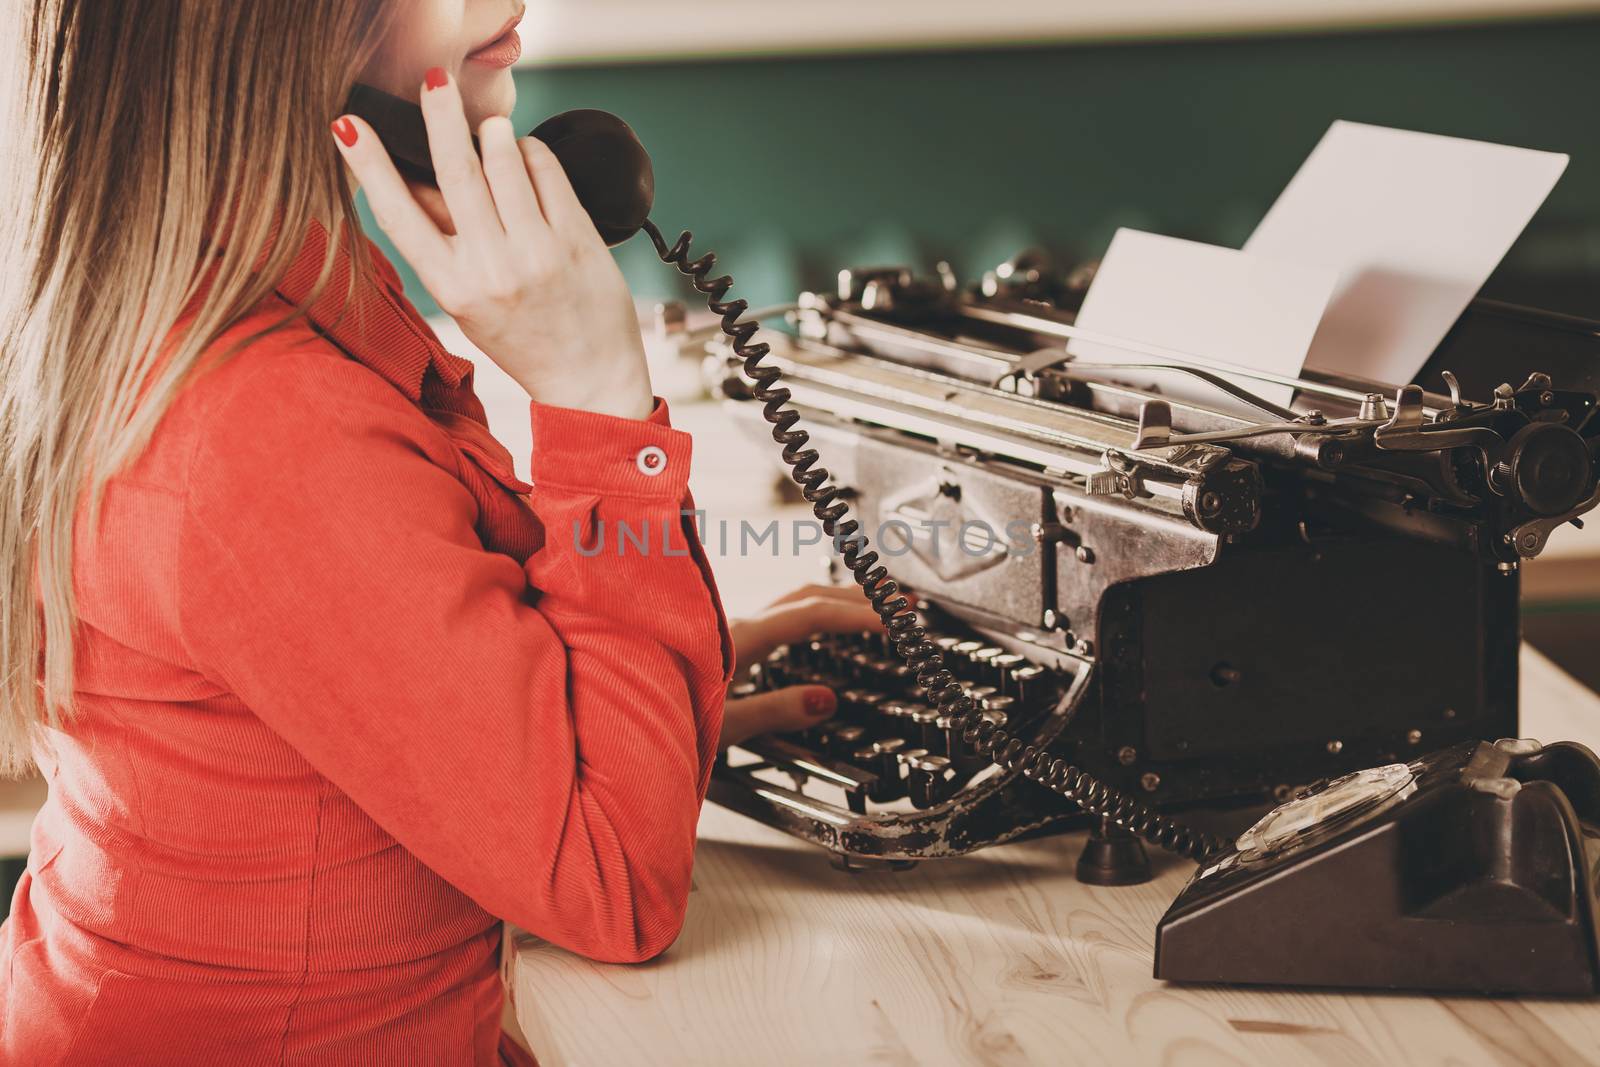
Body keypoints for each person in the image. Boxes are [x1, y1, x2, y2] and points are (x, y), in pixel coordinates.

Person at [0, 3, 879, 1062]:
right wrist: (595, 394)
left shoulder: (218, 299)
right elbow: (614, 887)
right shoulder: (268, 420)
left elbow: (348, 704)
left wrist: (632, 709)